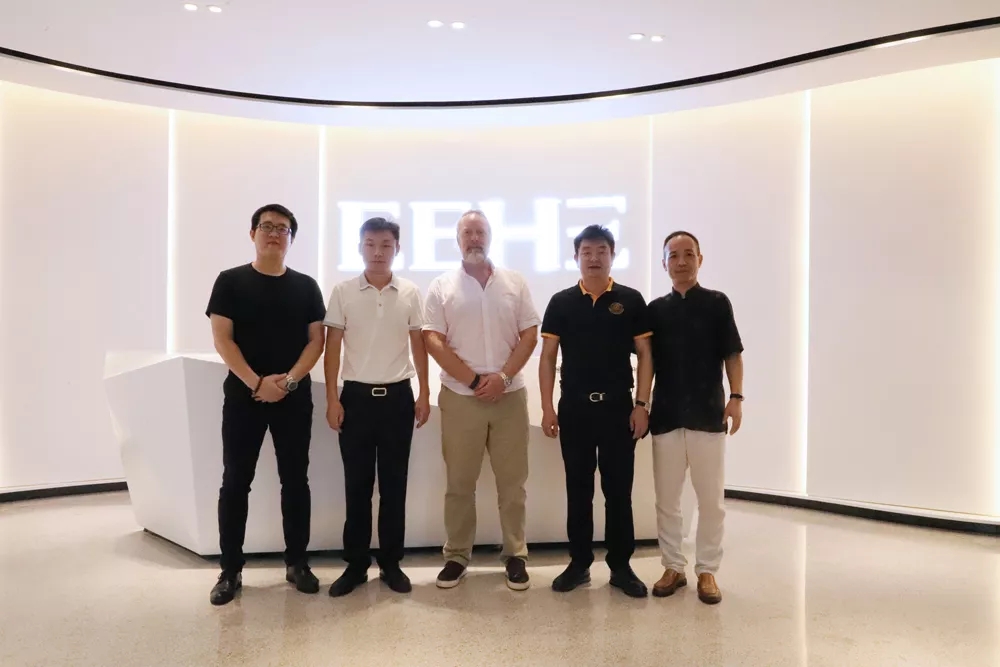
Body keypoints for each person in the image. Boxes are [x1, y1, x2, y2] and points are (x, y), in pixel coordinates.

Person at [205, 203, 327, 606]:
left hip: (293, 397)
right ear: (253, 233)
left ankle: (297, 563)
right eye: (267, 226)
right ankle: (230, 570)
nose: (274, 233)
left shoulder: (306, 286)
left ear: (291, 238)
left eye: (283, 229)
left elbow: (316, 342)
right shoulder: (230, 281)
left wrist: (287, 382)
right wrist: (257, 383)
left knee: (295, 481)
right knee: (235, 482)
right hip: (244, 396)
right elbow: (223, 339)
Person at [422, 210, 540, 591]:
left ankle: (516, 554)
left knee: (513, 483)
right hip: (461, 398)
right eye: (467, 232)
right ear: (457, 239)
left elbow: (529, 333)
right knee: (459, 482)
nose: (474, 238)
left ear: (490, 237)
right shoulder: (441, 286)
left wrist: (502, 378)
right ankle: (457, 556)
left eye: (480, 232)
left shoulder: (514, 282)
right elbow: (432, 340)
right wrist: (474, 381)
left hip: (510, 396)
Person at [539, 224, 653, 598]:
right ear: (576, 257)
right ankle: (579, 564)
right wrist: (547, 408)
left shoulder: (630, 300)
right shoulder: (561, 302)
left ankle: (621, 567)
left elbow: (646, 355)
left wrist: (642, 405)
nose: (593, 258)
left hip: (619, 408)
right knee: (579, 490)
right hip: (574, 409)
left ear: (612, 255)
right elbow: (548, 357)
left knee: (618, 492)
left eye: (601, 251)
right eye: (586, 251)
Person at [322, 217, 430, 597]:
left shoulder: (410, 292)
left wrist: (424, 393)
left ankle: (391, 563)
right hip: (356, 399)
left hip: (398, 398)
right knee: (357, 487)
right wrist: (332, 398)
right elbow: (332, 348)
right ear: (360, 247)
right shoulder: (343, 292)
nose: (378, 252)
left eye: (386, 245)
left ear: (397, 248)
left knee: (394, 486)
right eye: (370, 244)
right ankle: (355, 565)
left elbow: (418, 345)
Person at [647, 231, 744, 605]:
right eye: (674, 255)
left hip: (707, 413)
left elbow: (732, 354)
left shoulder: (717, 303)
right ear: (664, 264)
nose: (681, 262)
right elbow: (647, 363)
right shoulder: (655, 310)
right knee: (667, 500)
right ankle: (673, 566)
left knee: (711, 501)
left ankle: (707, 571)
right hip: (666, 416)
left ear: (700, 260)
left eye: (689, 254)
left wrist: (736, 398)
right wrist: (641, 403)